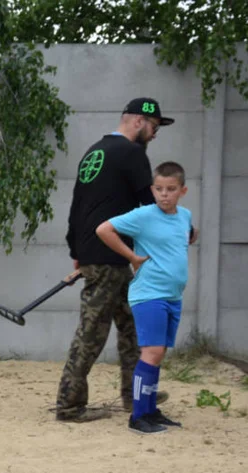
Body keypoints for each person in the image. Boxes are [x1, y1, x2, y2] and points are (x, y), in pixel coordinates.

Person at [57, 97, 174, 422]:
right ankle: (69, 405)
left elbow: (78, 204)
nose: (154, 134)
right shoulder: (132, 153)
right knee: (92, 332)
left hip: (102, 255)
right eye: (153, 126)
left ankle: (132, 393)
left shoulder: (95, 151)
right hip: (109, 257)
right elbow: (148, 204)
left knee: (132, 326)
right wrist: (181, 227)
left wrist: (76, 251)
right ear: (138, 121)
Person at [96, 161, 195, 435]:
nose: (164, 194)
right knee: (151, 352)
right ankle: (138, 416)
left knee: (159, 353)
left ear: (182, 191)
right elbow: (104, 229)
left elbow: (188, 235)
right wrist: (131, 257)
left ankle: (151, 410)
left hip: (172, 296)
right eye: (159, 189)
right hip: (149, 294)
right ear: (152, 189)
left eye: (171, 189)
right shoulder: (144, 215)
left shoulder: (184, 216)